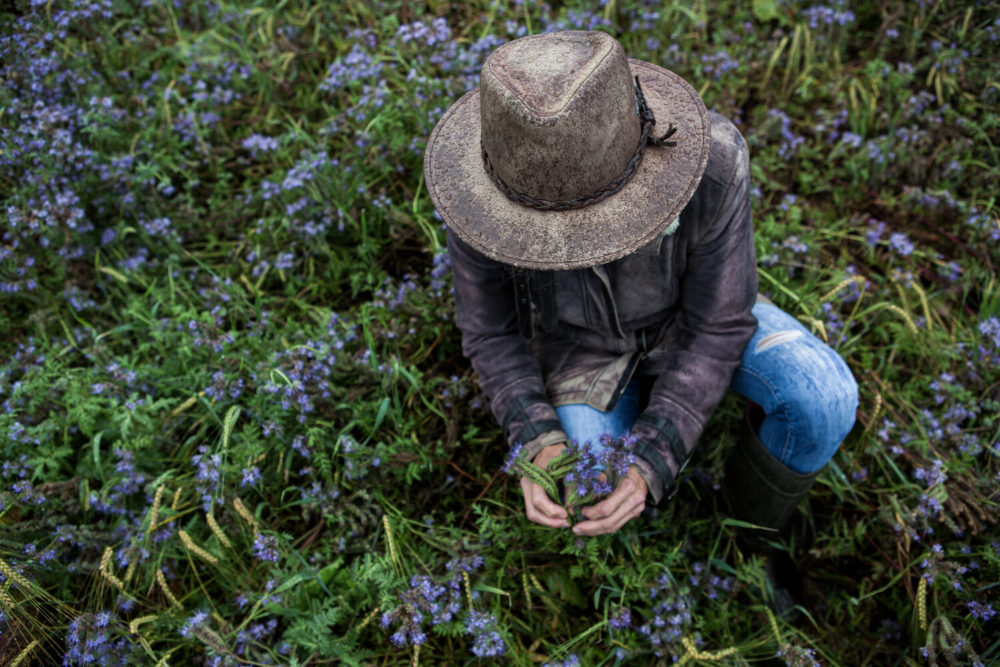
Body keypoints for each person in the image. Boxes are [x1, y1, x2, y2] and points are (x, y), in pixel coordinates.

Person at [423, 31, 858, 551]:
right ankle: (653, 551)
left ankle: (753, 542)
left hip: (685, 321)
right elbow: (490, 332)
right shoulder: (482, 199)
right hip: (579, 352)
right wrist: (535, 438)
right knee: (586, 490)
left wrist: (657, 452)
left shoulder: (712, 164)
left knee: (823, 396)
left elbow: (718, 323)